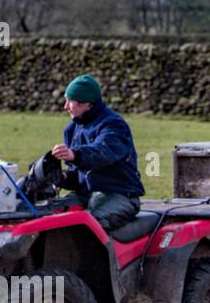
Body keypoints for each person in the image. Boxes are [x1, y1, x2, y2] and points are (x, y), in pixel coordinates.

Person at [51, 74, 145, 232]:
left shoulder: (114, 125)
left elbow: (103, 152)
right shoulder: (72, 129)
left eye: (70, 101)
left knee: (86, 227)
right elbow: (79, 174)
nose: (65, 106)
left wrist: (75, 154)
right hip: (87, 195)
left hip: (120, 195)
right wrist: (59, 177)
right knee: (50, 215)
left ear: (87, 104)